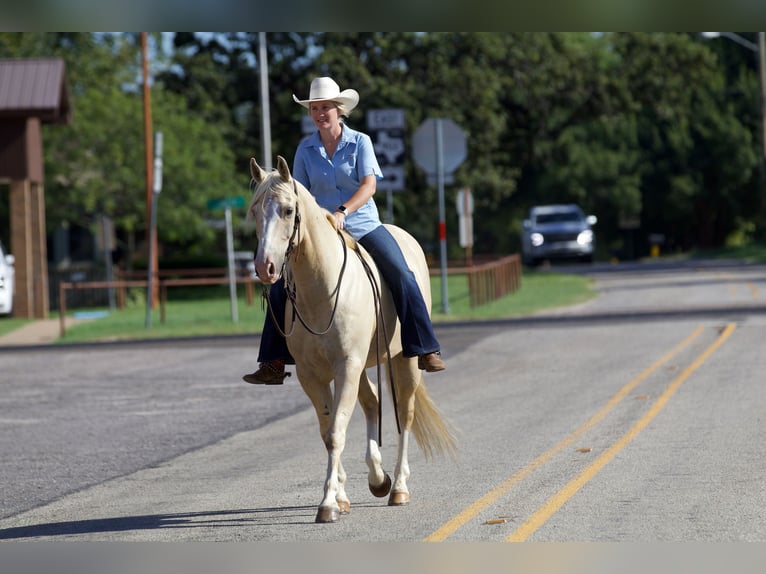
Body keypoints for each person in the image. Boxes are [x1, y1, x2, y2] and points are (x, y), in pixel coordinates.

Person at [243, 76, 445, 385]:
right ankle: (272, 361)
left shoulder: (360, 142)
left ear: (339, 110)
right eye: (314, 108)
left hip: (362, 225)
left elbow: (369, 185)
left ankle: (424, 347)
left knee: (402, 273)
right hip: (320, 234)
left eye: (325, 107)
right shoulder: (305, 149)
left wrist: (342, 212)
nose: (320, 113)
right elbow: (298, 194)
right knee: (281, 287)